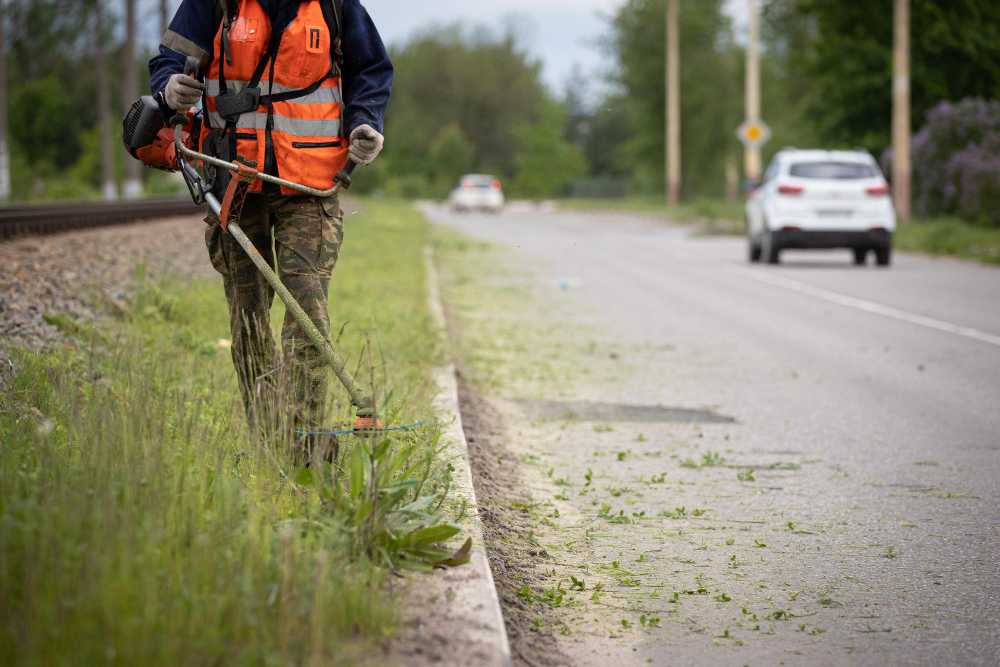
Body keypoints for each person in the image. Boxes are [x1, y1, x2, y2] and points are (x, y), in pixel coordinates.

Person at [148, 0, 392, 461]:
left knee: (307, 309)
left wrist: (367, 121)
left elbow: (372, 70)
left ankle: (303, 448)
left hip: (310, 184)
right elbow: (168, 61)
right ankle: (270, 443)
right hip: (232, 177)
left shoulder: (335, 5)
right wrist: (169, 88)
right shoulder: (213, 2)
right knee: (248, 316)